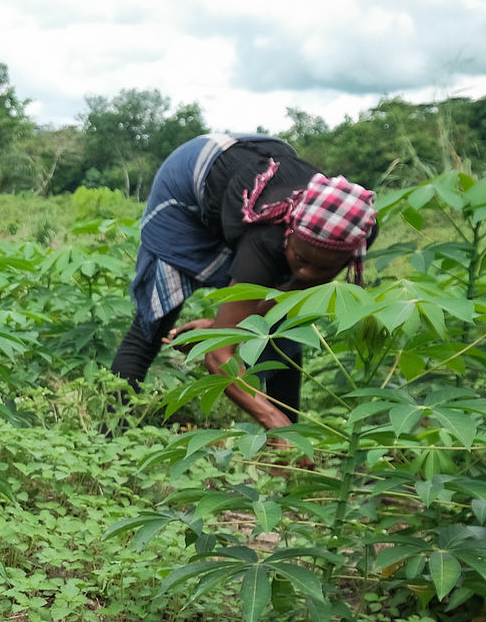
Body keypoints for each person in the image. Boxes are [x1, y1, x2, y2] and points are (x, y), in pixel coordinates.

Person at [109, 133, 377, 428]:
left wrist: (217, 327)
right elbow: (217, 356)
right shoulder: (268, 238)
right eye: (301, 259)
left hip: (251, 175)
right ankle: (109, 434)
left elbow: (287, 296)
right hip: (188, 183)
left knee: (282, 329)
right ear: (289, 234)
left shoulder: (354, 232)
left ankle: (286, 454)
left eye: (324, 269)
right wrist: (273, 420)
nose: (307, 275)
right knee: (154, 323)